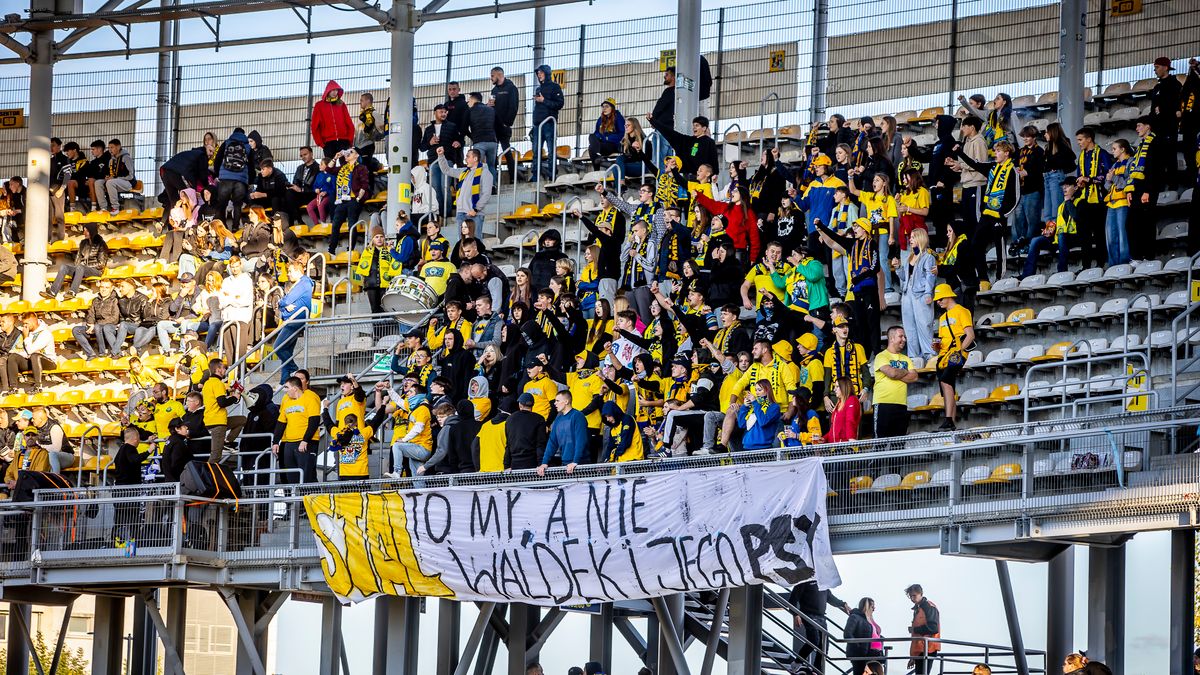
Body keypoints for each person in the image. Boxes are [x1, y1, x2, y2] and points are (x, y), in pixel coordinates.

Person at [1073, 127, 1114, 270]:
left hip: (1100, 200)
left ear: (1089, 139)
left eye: (1080, 139)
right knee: (1084, 235)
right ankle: (1086, 266)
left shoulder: (1102, 154)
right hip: (1084, 200)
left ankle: (1101, 263)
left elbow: (1108, 176)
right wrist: (1080, 182)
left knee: (1099, 234)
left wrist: (1089, 179)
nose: (1078, 143)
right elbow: (1080, 175)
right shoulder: (1082, 156)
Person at [933, 283, 973, 431]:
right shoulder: (942, 317)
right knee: (946, 386)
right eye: (937, 300)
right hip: (943, 355)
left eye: (940, 298)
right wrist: (937, 347)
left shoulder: (962, 311)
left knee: (946, 381)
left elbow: (970, 335)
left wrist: (960, 351)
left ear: (949, 295)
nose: (938, 302)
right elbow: (943, 341)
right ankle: (951, 422)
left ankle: (949, 419)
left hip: (957, 353)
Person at [896, 228, 936, 360]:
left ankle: (929, 354)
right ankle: (914, 356)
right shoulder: (910, 257)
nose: (910, 239)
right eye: (910, 237)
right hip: (907, 294)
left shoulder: (928, 257)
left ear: (920, 238)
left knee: (924, 324)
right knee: (909, 327)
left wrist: (928, 293)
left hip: (921, 294)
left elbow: (930, 276)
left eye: (913, 237)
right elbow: (904, 277)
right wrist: (897, 268)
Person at [434, 146, 493, 232]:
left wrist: (476, 209)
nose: (465, 159)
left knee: (475, 241)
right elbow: (446, 170)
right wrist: (441, 156)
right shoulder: (464, 171)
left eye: (468, 156)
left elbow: (486, 194)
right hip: (461, 213)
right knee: (461, 242)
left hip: (474, 213)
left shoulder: (485, 173)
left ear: (475, 158)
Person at [44, 221, 107, 300]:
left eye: (86, 231)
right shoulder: (83, 243)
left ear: (92, 231)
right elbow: (77, 259)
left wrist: (84, 266)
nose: (84, 233)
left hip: (96, 270)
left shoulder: (101, 244)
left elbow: (101, 264)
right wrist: (78, 266)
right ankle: (53, 292)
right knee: (64, 267)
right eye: (84, 230)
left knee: (80, 267)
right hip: (81, 269)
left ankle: (72, 292)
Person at [873, 326, 917, 438]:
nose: (904, 340)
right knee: (880, 443)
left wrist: (897, 373)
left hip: (901, 405)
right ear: (892, 338)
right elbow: (892, 373)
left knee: (899, 444)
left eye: (905, 337)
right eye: (901, 336)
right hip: (883, 404)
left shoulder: (906, 358)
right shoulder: (881, 356)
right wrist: (905, 371)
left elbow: (915, 377)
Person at [275, 261, 314, 383]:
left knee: (278, 347)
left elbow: (285, 301)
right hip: (291, 320)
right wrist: (283, 306)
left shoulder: (303, 283)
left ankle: (294, 369)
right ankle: (284, 381)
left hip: (295, 321)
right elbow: (283, 304)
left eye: (290, 271)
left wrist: (283, 305)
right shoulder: (300, 283)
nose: (288, 274)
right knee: (287, 350)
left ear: (298, 271)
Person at [326, 147, 370, 254]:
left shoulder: (361, 168)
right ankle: (331, 249)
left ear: (357, 155)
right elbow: (329, 169)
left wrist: (358, 198)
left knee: (352, 224)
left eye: (351, 152)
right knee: (336, 224)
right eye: (348, 151)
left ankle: (350, 249)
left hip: (353, 200)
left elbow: (364, 184)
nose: (348, 153)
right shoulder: (343, 168)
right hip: (342, 200)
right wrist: (335, 158)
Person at [537, 391, 588, 475]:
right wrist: (544, 463)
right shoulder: (558, 418)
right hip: (565, 463)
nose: (555, 403)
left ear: (566, 402)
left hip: (580, 464)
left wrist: (576, 461)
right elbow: (552, 442)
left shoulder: (578, 416)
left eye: (557, 401)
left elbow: (581, 440)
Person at [213, 128, 255, 230]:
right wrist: (250, 181)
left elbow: (217, 159)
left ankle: (223, 227)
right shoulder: (248, 147)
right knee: (237, 204)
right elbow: (251, 166)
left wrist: (218, 174)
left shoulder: (226, 143)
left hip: (225, 178)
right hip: (241, 180)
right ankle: (235, 228)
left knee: (222, 204)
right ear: (244, 135)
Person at [1012, 125, 1045, 254]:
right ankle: (1018, 245)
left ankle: (1030, 245)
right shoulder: (1020, 151)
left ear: (1034, 137)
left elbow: (1039, 170)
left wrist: (1028, 172)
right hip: (1020, 190)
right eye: (1024, 136)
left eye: (1028, 136)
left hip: (1033, 190)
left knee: (1032, 220)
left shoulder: (1039, 151)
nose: (1025, 139)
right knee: (1019, 220)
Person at [530, 64, 564, 182]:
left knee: (551, 151)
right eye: (538, 73)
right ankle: (535, 176)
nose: (539, 75)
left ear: (547, 73)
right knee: (535, 152)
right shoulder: (538, 89)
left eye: (541, 72)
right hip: (537, 125)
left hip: (549, 124)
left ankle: (552, 175)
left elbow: (559, 104)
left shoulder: (555, 87)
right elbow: (537, 109)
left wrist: (544, 100)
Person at [1103, 138, 1134, 267]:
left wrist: (1113, 178)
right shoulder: (1114, 165)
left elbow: (1128, 183)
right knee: (1110, 236)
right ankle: (1113, 265)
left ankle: (1124, 262)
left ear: (1123, 149)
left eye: (1114, 149)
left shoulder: (1131, 162)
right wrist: (1109, 179)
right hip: (1111, 203)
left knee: (1122, 234)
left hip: (1123, 203)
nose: (1112, 151)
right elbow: (1106, 186)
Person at [7, 313, 56, 393]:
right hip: (31, 360)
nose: (24, 326)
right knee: (13, 356)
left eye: (26, 323)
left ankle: (38, 387)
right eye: (23, 324)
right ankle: (13, 388)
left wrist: (26, 337)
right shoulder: (26, 332)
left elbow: (30, 350)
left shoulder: (45, 333)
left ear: (33, 322)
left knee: (35, 356)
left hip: (48, 361)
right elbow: (22, 351)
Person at [489, 66, 520, 179]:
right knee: (493, 152)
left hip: (504, 126)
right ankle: (494, 178)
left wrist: (507, 123)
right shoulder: (494, 90)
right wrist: (489, 106)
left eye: (492, 76)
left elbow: (513, 107)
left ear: (499, 75)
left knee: (506, 150)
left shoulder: (511, 88)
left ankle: (513, 176)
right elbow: (492, 106)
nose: (491, 78)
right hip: (494, 125)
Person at [311, 80, 355, 159]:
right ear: (328, 91)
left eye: (336, 90)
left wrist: (349, 140)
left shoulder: (341, 104)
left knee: (346, 166)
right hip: (328, 142)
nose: (335, 92)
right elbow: (314, 126)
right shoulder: (319, 105)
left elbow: (349, 122)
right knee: (330, 167)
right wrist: (320, 143)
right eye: (333, 90)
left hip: (343, 140)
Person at [463, 92, 499, 185]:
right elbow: (498, 125)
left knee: (478, 166)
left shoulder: (470, 111)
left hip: (479, 141)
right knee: (491, 166)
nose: (468, 102)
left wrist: (472, 136)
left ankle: (479, 187)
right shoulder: (490, 109)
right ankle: (493, 185)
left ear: (472, 99)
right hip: (492, 141)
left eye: (469, 100)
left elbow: (463, 128)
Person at [505, 392, 547, 471]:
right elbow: (540, 444)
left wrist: (506, 465)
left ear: (520, 404)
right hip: (532, 463)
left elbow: (508, 444)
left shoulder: (510, 419)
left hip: (514, 463)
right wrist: (541, 464)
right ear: (532, 405)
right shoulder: (539, 419)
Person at [94, 138, 136, 216]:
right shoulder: (111, 160)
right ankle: (103, 208)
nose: (110, 150)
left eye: (112, 147)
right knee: (98, 182)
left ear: (118, 147)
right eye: (109, 148)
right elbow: (113, 174)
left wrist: (114, 178)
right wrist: (108, 177)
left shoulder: (126, 158)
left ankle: (115, 208)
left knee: (110, 182)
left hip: (128, 183)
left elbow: (131, 176)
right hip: (116, 182)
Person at [905, 584, 941, 675]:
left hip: (928, 649)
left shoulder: (928, 607)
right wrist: (913, 656)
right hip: (920, 650)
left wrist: (915, 629)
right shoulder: (918, 608)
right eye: (910, 596)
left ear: (921, 594)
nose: (912, 598)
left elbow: (933, 628)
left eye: (914, 595)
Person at [845, 598, 885, 675]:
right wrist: (859, 647)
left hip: (875, 654)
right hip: (862, 654)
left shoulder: (870, 619)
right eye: (872, 606)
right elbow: (847, 634)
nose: (874, 608)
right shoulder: (855, 617)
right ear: (866, 606)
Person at [588, 98, 625, 170]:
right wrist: (600, 137)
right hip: (602, 144)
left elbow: (622, 134)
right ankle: (599, 163)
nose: (604, 108)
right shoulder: (601, 119)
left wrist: (608, 138)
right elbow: (597, 133)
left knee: (592, 148)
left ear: (612, 108)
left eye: (607, 106)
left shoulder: (618, 118)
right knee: (591, 137)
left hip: (613, 145)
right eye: (603, 106)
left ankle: (597, 168)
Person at [827, 376, 861, 443]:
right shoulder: (839, 404)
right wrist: (824, 438)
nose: (834, 389)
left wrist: (851, 439)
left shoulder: (852, 400)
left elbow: (850, 420)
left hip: (845, 446)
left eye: (837, 387)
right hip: (835, 447)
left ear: (844, 387)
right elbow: (834, 429)